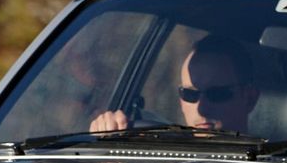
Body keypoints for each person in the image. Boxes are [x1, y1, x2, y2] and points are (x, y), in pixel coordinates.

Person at [89, 35, 259, 133]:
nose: (201, 108)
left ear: (250, 98)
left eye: (217, 94)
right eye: (190, 94)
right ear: (180, 99)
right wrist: (107, 132)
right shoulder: (152, 157)